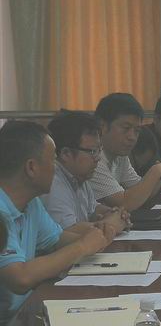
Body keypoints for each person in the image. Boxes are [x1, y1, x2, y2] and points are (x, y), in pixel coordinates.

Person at [0, 121, 110, 322]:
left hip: (29, 311)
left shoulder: (31, 203)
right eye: (52, 160)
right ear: (31, 167)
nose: (56, 167)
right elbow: (20, 278)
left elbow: (56, 240)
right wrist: (83, 246)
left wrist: (97, 235)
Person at [40, 111, 129, 234]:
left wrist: (114, 213)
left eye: (99, 150)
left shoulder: (79, 176)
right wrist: (111, 225)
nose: (98, 158)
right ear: (66, 153)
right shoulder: (52, 182)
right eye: (92, 151)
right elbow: (67, 231)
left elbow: (93, 209)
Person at [89, 93, 161, 211]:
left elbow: (141, 194)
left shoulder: (120, 155)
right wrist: (157, 171)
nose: (132, 137)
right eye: (126, 128)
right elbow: (125, 203)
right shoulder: (91, 157)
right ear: (103, 126)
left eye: (136, 130)